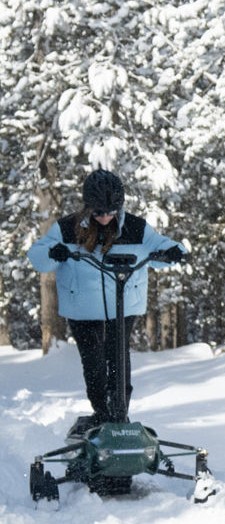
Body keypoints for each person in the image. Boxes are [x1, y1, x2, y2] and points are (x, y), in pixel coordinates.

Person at [28, 169, 186, 429]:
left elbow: (165, 245)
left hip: (123, 305)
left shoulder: (136, 228)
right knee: (93, 364)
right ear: (87, 207)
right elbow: (37, 257)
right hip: (82, 308)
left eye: (110, 212)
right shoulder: (67, 228)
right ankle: (102, 415)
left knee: (118, 358)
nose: (104, 218)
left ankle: (119, 416)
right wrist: (54, 253)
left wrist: (173, 253)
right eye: (98, 212)